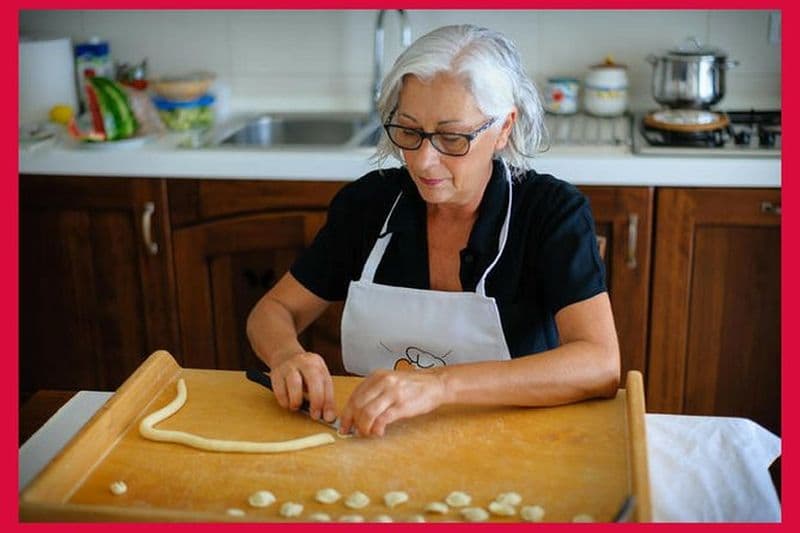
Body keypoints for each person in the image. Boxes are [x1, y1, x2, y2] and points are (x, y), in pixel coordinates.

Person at [246, 24, 620, 438]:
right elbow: (273, 311)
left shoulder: (551, 214)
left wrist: (441, 386)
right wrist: (285, 355)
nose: (423, 162)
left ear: (503, 128)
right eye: (409, 131)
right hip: (375, 440)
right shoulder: (369, 206)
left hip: (516, 442)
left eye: (451, 137)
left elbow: (599, 364)